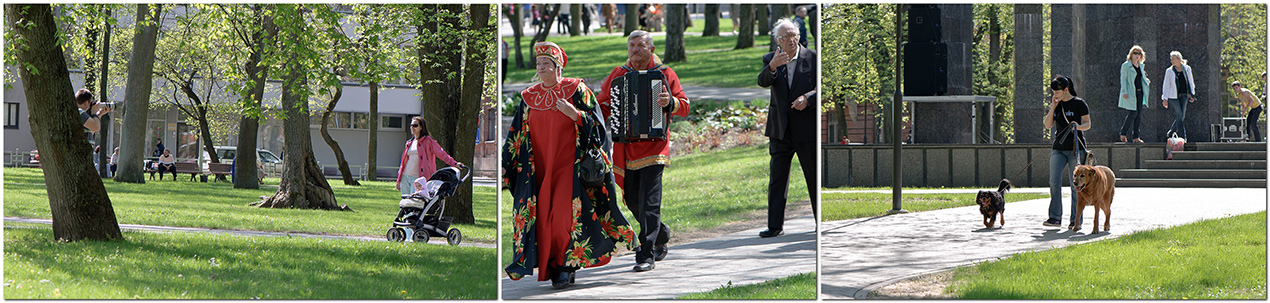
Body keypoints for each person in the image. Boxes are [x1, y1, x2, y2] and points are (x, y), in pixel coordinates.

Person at [504, 42, 635, 289]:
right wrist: (505, 164)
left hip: (569, 166)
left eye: (546, 64)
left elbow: (598, 127)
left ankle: (565, 267)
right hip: (539, 170)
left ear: (558, 67)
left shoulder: (576, 90)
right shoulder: (528, 97)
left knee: (564, 218)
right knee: (543, 219)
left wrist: (575, 114)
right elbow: (515, 135)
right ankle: (556, 266)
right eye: (538, 64)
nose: (541, 68)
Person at [597, 30, 690, 272]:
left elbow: (684, 106)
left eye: (640, 45)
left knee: (649, 203)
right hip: (625, 149)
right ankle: (661, 232)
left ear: (651, 49)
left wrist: (669, 102)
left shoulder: (665, 73)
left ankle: (645, 254)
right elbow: (602, 105)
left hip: (654, 148)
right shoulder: (619, 74)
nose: (635, 49)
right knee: (632, 201)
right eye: (631, 45)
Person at [757, 19, 818, 238]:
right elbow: (762, 81)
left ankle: (819, 222)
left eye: (793, 35)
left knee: (813, 176)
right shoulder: (770, 58)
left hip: (806, 128)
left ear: (799, 36)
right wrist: (773, 66)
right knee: (777, 179)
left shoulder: (813, 58)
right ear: (777, 41)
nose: (790, 40)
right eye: (785, 37)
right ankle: (774, 226)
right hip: (780, 129)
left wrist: (808, 99)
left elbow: (821, 89)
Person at [1043, 75, 1090, 229]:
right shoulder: (1057, 105)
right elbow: (1048, 125)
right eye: (1053, 92)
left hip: (1076, 148)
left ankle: (1075, 219)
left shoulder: (1079, 104)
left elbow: (1088, 123)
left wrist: (1078, 126)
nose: (1055, 95)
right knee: (1054, 181)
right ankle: (1055, 217)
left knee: (1075, 184)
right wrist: (1052, 107)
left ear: (1066, 89)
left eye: (1057, 92)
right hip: (1059, 148)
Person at [395, 116, 462, 196]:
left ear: (421, 127)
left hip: (418, 178)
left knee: (415, 202)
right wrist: (399, 179)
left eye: (415, 125)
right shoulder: (410, 142)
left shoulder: (428, 141)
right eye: (411, 125)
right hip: (405, 177)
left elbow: (441, 153)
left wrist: (454, 163)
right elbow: (403, 162)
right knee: (405, 203)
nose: (412, 127)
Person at [1161, 51, 1196, 141]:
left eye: (1173, 59)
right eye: (1171, 59)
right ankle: (1182, 136)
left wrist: (1192, 94)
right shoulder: (1169, 71)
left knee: (1181, 116)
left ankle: (1171, 131)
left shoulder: (1187, 69)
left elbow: (1191, 82)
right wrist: (1165, 98)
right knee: (1179, 114)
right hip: (1173, 96)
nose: (1171, 60)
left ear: (1179, 59)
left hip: (1184, 94)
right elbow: (1166, 84)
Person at [1117, 45, 1149, 143]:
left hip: (1140, 92)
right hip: (1131, 92)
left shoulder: (1141, 65)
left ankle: (1136, 137)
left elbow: (1140, 77)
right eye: (1135, 53)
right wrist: (1124, 91)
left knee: (1139, 115)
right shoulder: (1126, 65)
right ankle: (1123, 133)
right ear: (1131, 54)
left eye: (1139, 53)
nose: (1137, 55)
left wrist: (1146, 80)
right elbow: (1123, 79)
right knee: (1133, 113)